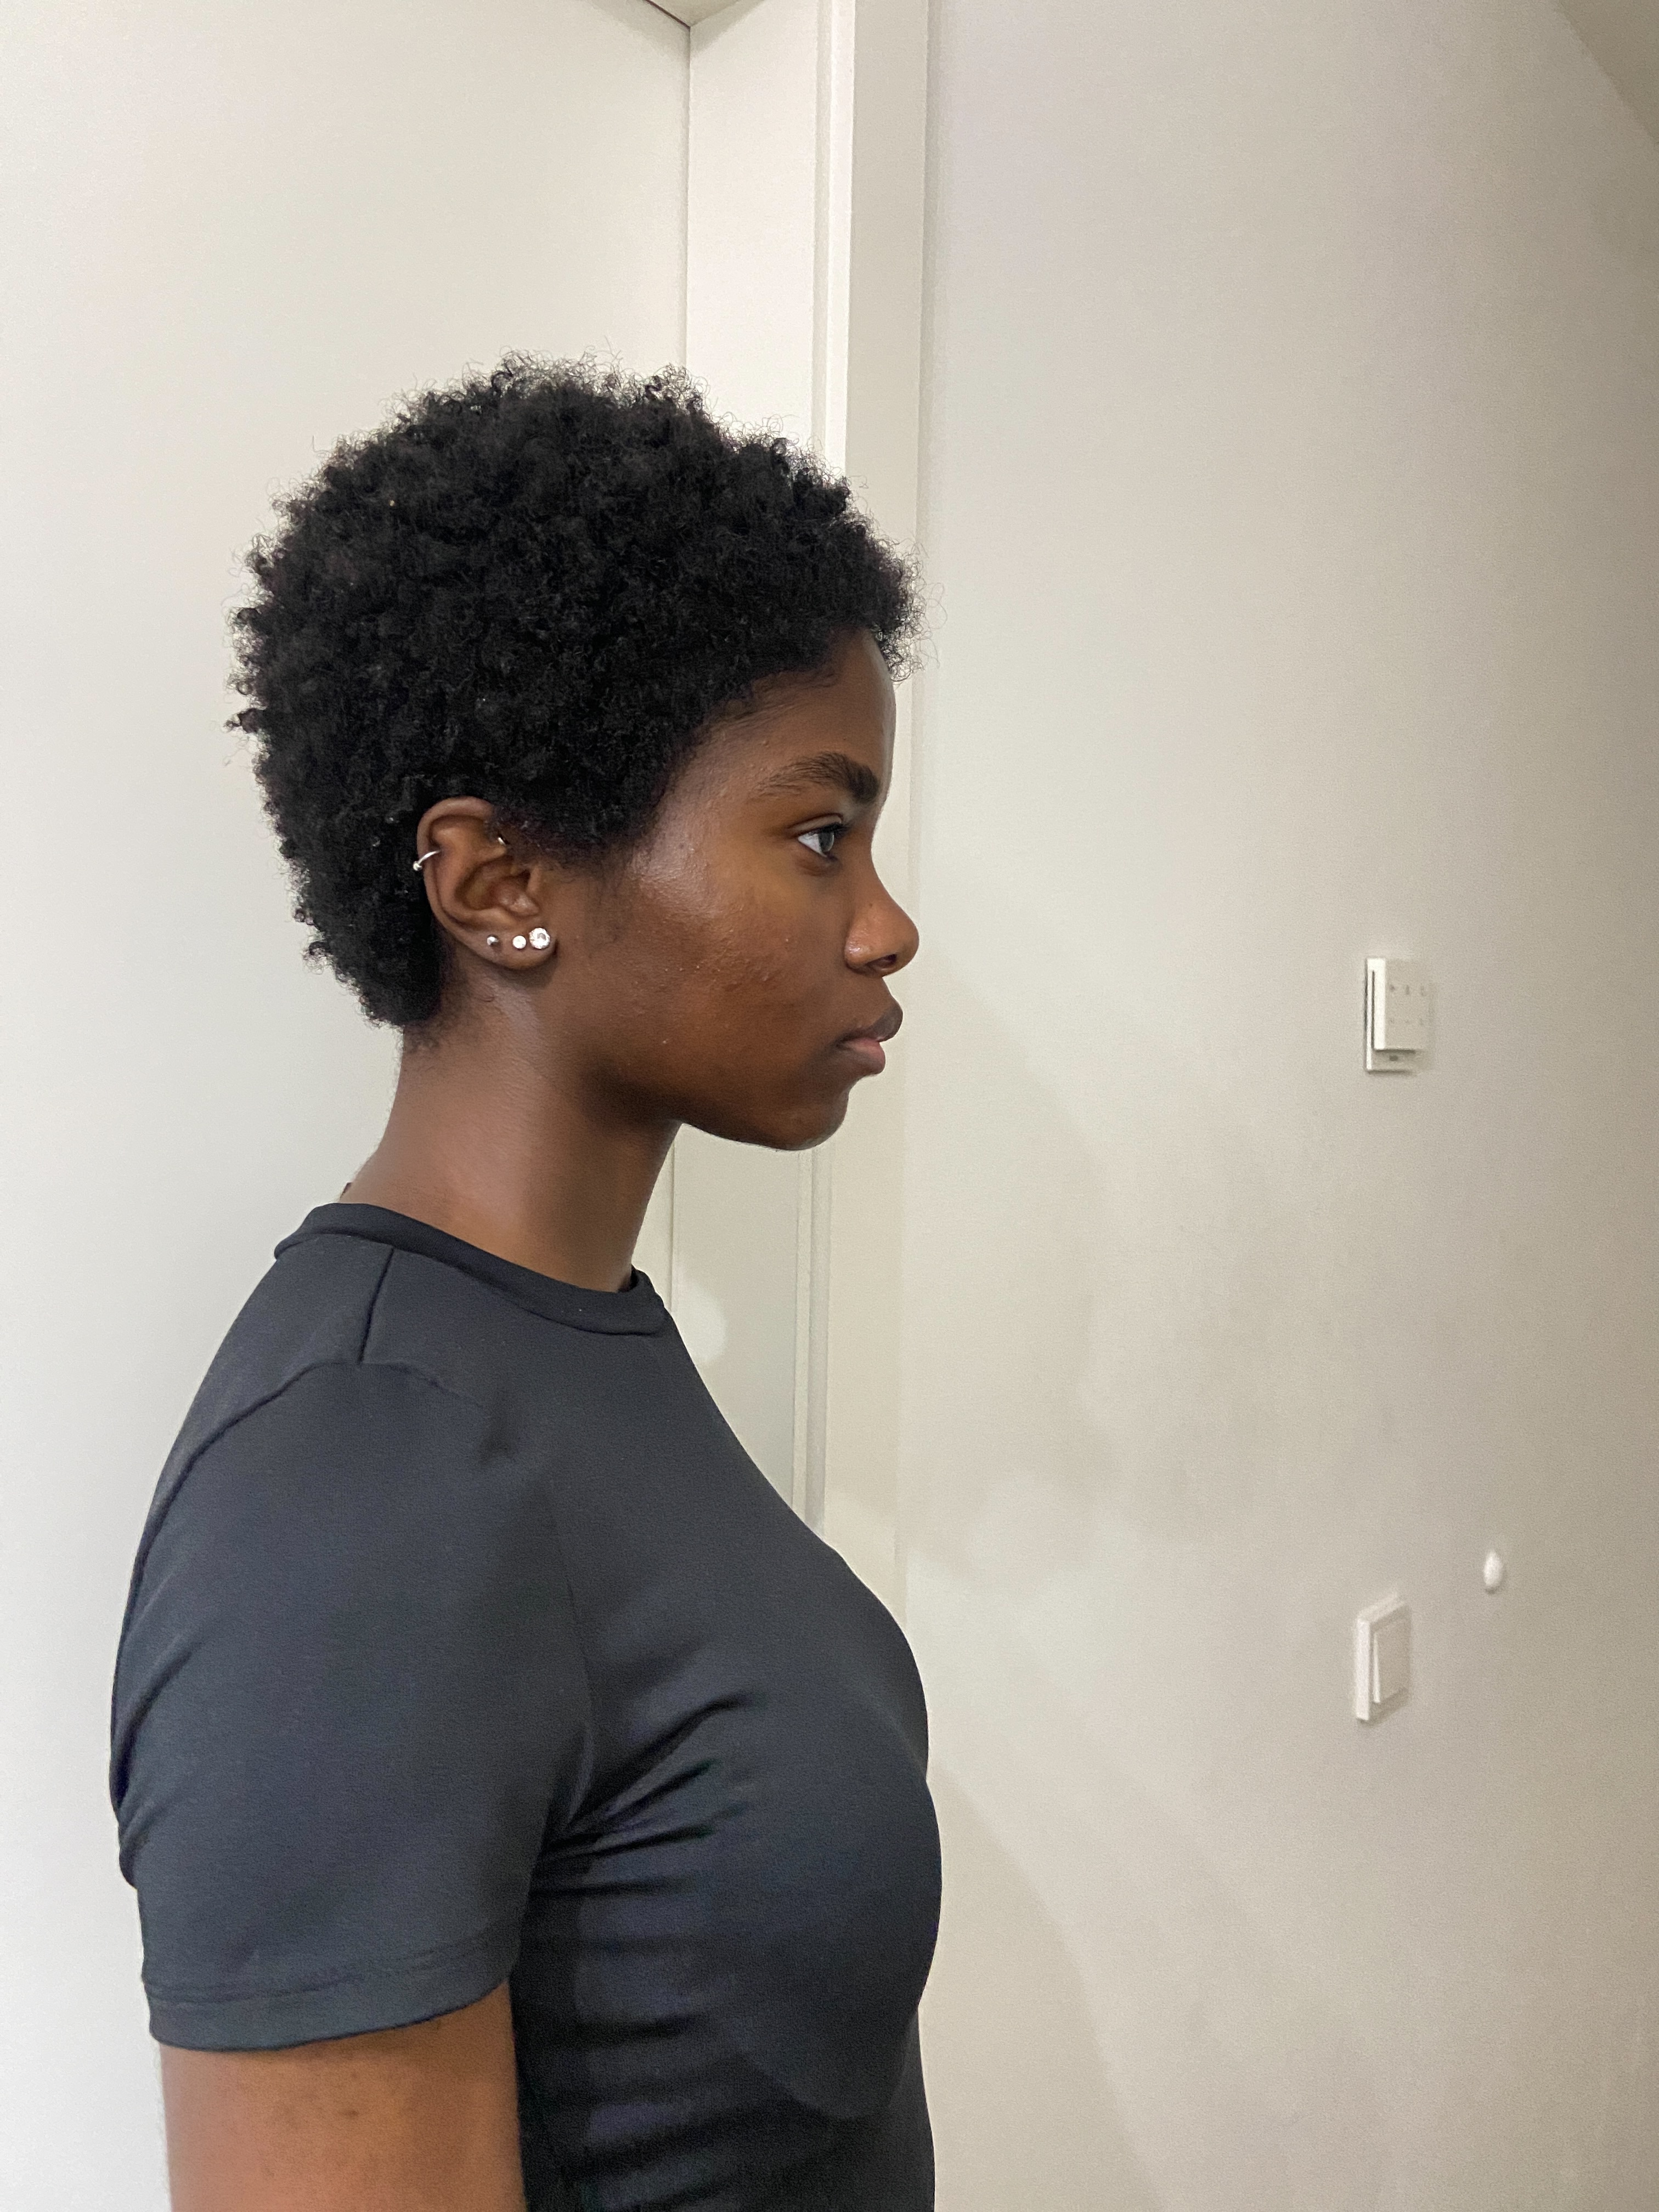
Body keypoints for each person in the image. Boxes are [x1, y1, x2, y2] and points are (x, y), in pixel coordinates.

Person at [109, 359, 940, 2212]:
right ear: (497, 887)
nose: (887, 925)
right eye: (821, 835)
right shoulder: (355, 1479)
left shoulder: (575, 1346)